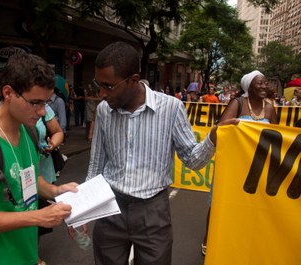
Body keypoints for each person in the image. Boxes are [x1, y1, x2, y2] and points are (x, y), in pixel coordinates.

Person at [87, 41, 231, 265]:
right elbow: (96, 166)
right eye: (99, 84)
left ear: (133, 80)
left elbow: (192, 160)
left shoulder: (171, 108)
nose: (102, 93)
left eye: (109, 86)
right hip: (110, 209)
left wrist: (213, 137)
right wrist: (85, 209)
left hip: (153, 212)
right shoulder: (105, 111)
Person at [0, 53, 78, 265]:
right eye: (35, 102)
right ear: (8, 93)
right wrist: (38, 217)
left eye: (45, 103)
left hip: (26, 255)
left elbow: (27, 179)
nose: (42, 112)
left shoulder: (29, 132)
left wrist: (57, 192)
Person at [201, 70, 277, 255]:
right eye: (259, 83)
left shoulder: (270, 108)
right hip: (233, 164)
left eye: (266, 83)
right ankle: (208, 239)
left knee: (251, 203)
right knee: (219, 201)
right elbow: (221, 130)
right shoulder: (238, 103)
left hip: (257, 166)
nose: (264, 86)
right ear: (248, 87)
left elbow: (276, 136)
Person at [36, 103, 64, 265]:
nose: (42, 111)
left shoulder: (44, 107)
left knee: (39, 214)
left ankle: (33, 254)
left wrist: (52, 145)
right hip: (17, 176)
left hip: (42, 172)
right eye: (36, 103)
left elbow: (58, 131)